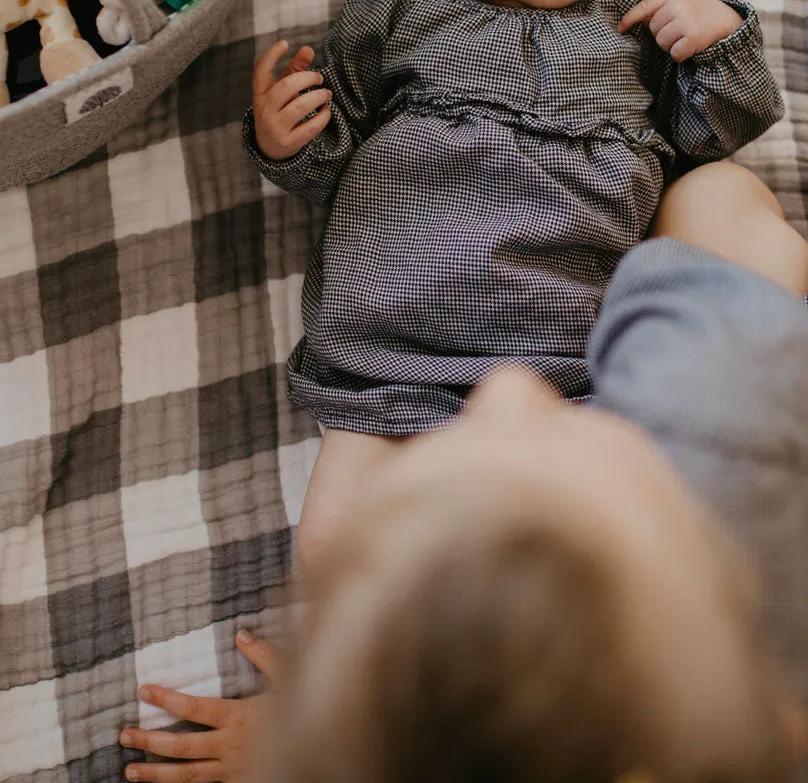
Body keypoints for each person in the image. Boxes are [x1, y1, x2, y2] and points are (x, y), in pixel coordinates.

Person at [243, 0, 785, 568]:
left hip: (571, 365)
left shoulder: (637, 14)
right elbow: (332, 159)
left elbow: (707, 137)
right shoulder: (399, 9)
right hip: (395, 356)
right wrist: (287, 141)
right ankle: (344, 682)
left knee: (591, 540)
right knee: (334, 555)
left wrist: (720, 41)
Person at [119, 161, 808, 781]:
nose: (506, 384)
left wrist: (366, 743)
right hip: (719, 423)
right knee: (715, 195)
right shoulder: (724, 413)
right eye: (544, 457)